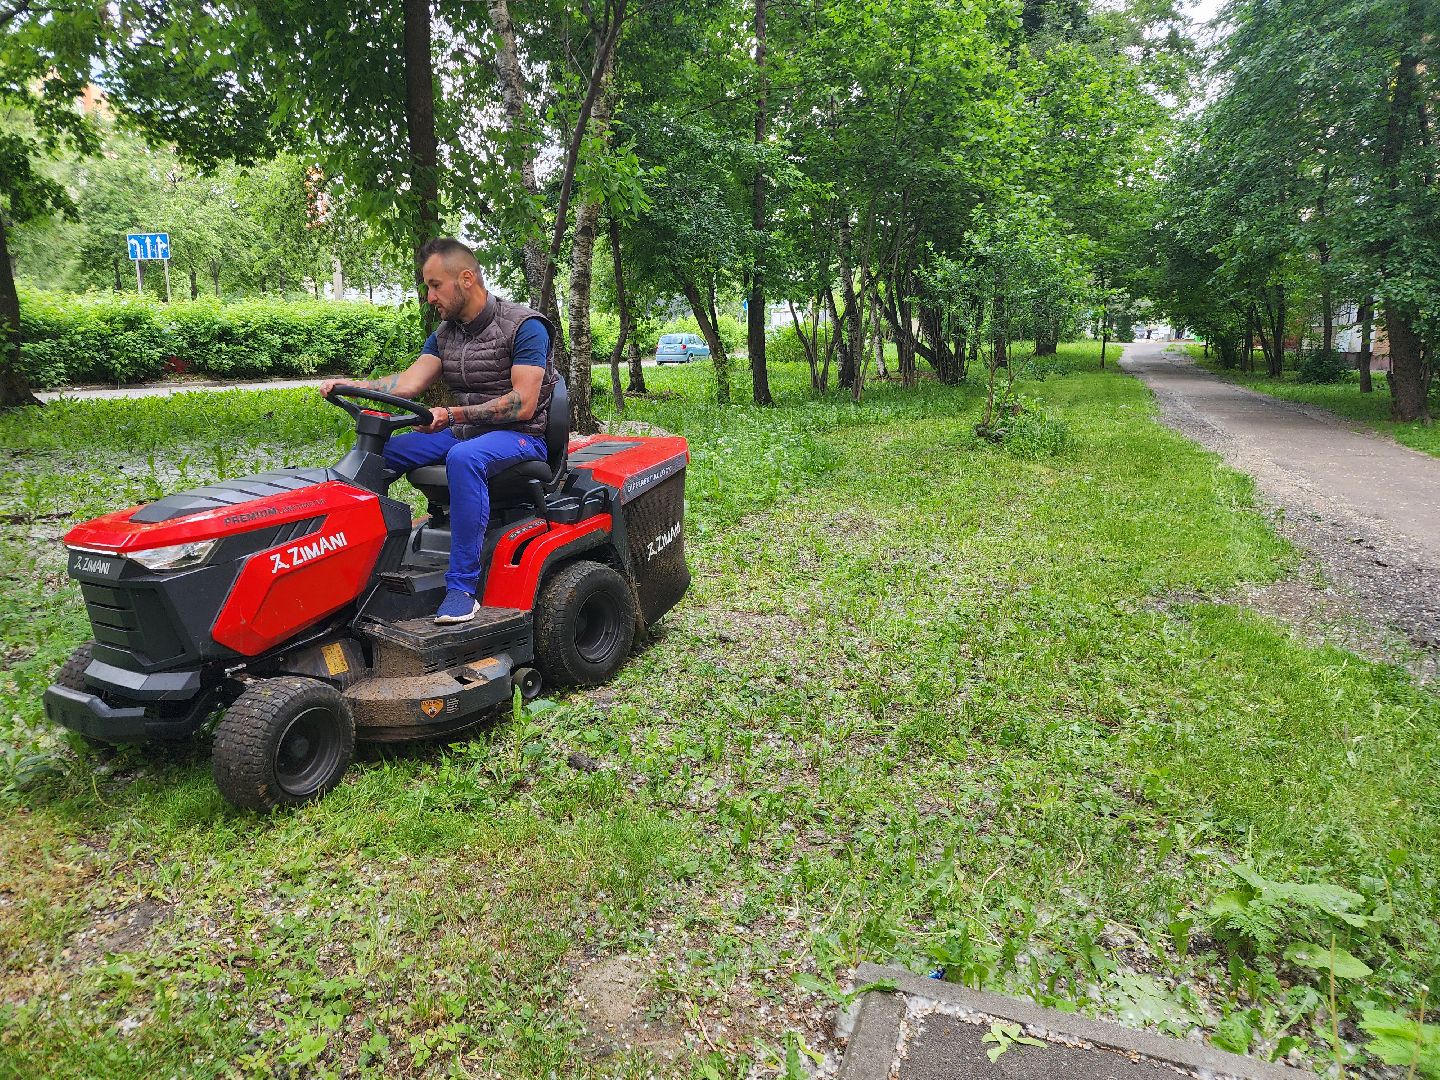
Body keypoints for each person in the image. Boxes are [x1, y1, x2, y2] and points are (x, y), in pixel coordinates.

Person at [320, 238, 558, 625]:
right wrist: (356, 385)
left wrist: (453, 413)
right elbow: (409, 384)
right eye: (427, 286)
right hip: (465, 430)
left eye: (435, 285)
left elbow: (523, 403)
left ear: (466, 279)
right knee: (381, 454)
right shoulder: (447, 333)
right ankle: (348, 566)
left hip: (521, 435)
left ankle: (463, 589)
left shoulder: (525, 326)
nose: (429, 296)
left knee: (463, 458)